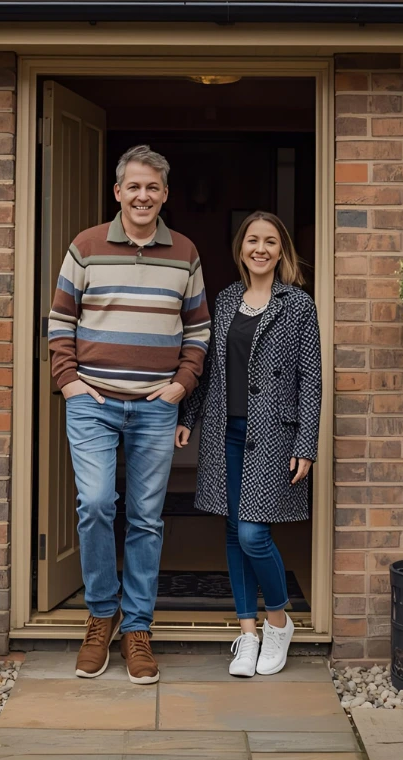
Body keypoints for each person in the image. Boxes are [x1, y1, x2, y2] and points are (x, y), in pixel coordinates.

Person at [48, 145, 210, 685]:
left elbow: (198, 331)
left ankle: (137, 628)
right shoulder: (86, 247)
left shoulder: (184, 252)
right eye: (134, 187)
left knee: (145, 518)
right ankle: (101, 616)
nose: (143, 196)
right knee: (95, 503)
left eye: (153, 188)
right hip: (92, 402)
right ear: (118, 192)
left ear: (164, 194)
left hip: (155, 408)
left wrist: (182, 385)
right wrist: (68, 382)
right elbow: (59, 321)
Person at [177, 211, 320, 678]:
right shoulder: (225, 299)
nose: (261, 249)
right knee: (233, 533)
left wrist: (307, 441)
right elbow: (211, 368)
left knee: (255, 534)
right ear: (241, 248)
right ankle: (247, 634)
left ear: (282, 252)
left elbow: (310, 378)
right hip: (226, 431)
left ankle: (278, 622)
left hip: (275, 435)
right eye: (253, 240)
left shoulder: (298, 304)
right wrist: (190, 418)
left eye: (270, 242)